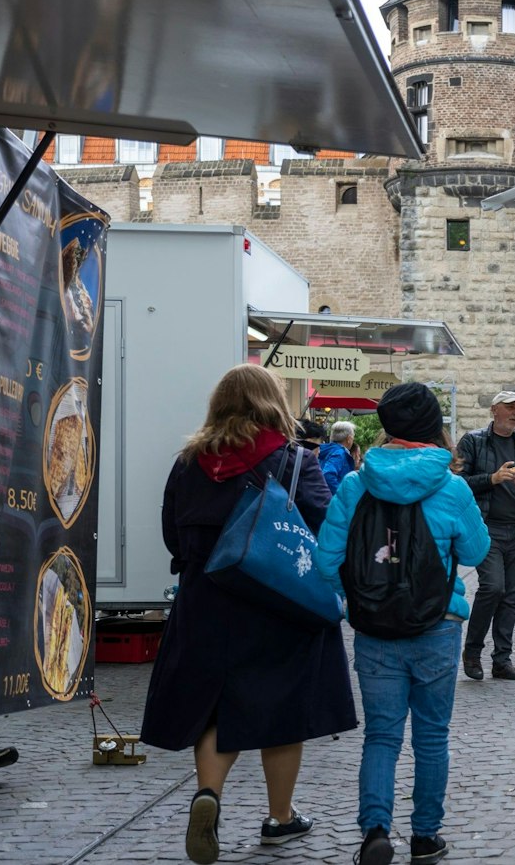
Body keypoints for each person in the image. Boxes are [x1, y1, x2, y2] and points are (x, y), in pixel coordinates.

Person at [140, 365, 356, 865]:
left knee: (215, 707)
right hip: (277, 603)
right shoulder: (294, 460)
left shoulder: (189, 462)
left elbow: (173, 533)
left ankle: (209, 794)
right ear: (272, 403)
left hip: (205, 601)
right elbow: (324, 527)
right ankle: (281, 817)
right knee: (283, 710)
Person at [314, 382, 489, 865]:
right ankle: (425, 836)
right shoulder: (451, 486)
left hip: (374, 630)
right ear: (434, 427)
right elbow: (476, 551)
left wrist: (359, 597)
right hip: (438, 625)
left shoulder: (355, 485)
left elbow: (326, 561)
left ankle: (375, 829)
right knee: (431, 737)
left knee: (381, 736)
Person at [455, 391, 515, 682]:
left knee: (510, 598)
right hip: (485, 527)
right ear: (494, 410)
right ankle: (472, 652)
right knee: (493, 587)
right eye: (510, 408)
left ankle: (502, 660)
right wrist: (491, 478)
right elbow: (456, 483)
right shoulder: (473, 441)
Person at [319, 421, 357, 496]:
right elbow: (327, 475)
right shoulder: (339, 454)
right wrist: (341, 494)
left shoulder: (327, 450)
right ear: (349, 439)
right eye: (353, 437)